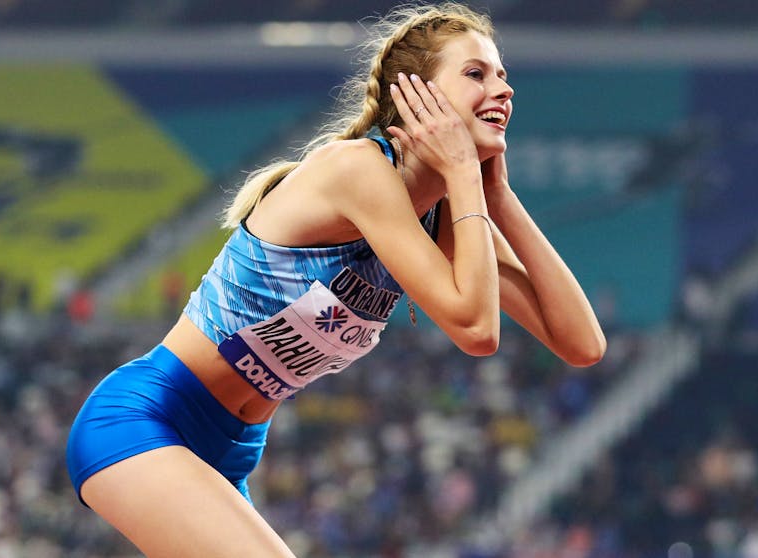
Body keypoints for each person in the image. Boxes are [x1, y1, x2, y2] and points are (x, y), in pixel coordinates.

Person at [65, 2, 606, 556]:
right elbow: (477, 330)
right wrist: (466, 176)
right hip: (149, 419)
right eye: (476, 73)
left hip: (231, 451)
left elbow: (582, 344)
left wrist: (498, 197)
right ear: (416, 96)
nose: (503, 88)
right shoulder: (356, 170)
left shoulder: (443, 212)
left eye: (503, 75)